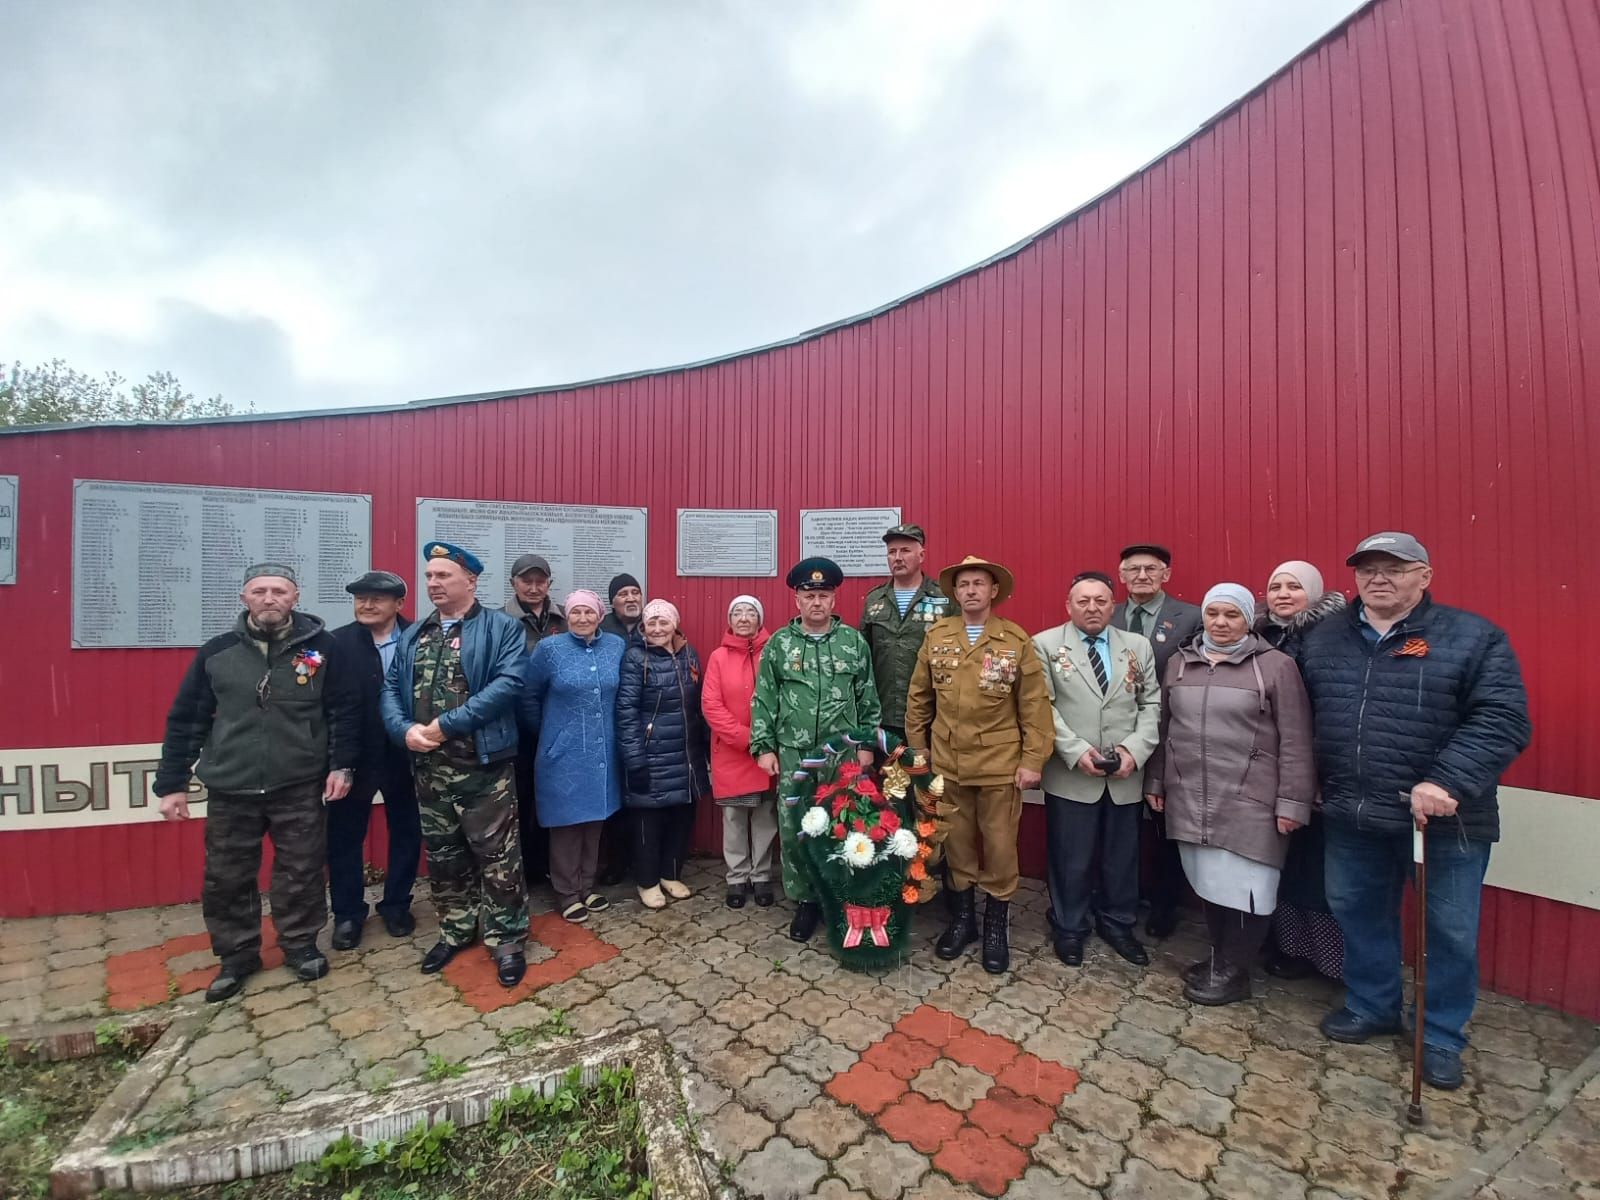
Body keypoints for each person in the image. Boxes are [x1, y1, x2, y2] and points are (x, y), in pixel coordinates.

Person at [1300, 532, 1530, 1090]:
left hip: (1443, 821)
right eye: (1367, 569)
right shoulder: (1325, 637)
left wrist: (1447, 779)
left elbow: (1503, 718)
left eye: (1394, 568)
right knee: (1356, 910)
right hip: (1353, 812)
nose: (1378, 578)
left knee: (1448, 930)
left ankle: (1440, 1034)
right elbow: (1299, 713)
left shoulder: (1472, 638)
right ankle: (1372, 1003)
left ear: (1424, 576)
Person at [154, 563, 358, 1001]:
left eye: (279, 591)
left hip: (299, 781)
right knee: (227, 877)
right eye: (260, 591)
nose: (270, 599)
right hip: (233, 786)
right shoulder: (218, 652)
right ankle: (237, 955)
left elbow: (342, 710)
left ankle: (300, 945)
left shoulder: (322, 649)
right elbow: (187, 719)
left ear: (295, 597)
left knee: (300, 871)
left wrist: (342, 765)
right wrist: (172, 783)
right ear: (244, 598)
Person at [1144, 583, 1316, 1005]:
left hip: (1250, 798)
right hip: (1191, 793)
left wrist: (1293, 802)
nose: (1221, 623)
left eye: (1232, 615)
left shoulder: (1275, 667)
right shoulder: (1182, 664)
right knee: (1211, 881)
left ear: (1247, 619)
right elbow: (1165, 730)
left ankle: (1235, 970)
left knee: (1248, 885)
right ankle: (1222, 957)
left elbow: (1296, 740)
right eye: (1213, 614)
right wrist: (1156, 781)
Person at [380, 542, 529, 988]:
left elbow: (509, 682)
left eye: (443, 575)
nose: (433, 583)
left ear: (470, 580)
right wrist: (403, 730)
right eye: (429, 576)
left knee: (498, 856)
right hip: (428, 767)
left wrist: (447, 725)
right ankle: (456, 928)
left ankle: (506, 939)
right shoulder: (414, 634)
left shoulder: (501, 627)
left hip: (482, 766)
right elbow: (389, 687)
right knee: (444, 856)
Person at [904, 555, 1052, 973]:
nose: (970, 590)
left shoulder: (1014, 639)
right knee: (958, 844)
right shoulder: (937, 636)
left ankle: (996, 927)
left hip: (999, 765)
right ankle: (964, 920)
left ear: (993, 592)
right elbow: (919, 698)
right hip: (949, 764)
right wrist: (919, 748)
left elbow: (1034, 706)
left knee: (1002, 848)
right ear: (955, 592)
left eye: (978, 584)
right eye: (964, 584)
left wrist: (1032, 760)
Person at [1031, 571, 1161, 968]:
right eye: (1083, 601)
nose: (1092, 608)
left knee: (1121, 857)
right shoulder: (1046, 645)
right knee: (1072, 858)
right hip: (1073, 773)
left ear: (1113, 605)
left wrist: (1133, 751)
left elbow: (1151, 704)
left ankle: (1118, 923)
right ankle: (1069, 926)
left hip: (1125, 773)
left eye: (1101, 600)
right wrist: (1076, 750)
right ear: (1068, 606)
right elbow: (1042, 707)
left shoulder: (1136, 646)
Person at [750, 557, 881, 943]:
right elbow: (764, 698)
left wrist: (868, 745)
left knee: (844, 825)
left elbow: (868, 696)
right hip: (794, 753)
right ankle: (805, 901)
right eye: (809, 595)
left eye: (824, 595)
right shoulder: (779, 644)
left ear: (834, 599)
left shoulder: (853, 642)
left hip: (842, 754)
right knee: (796, 831)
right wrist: (764, 746)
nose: (817, 603)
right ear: (797, 600)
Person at [1253, 559, 1348, 980]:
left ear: (1314, 591)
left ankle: (1330, 961)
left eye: (1294, 586)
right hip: (1265, 766)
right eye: (1276, 586)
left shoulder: (1337, 637)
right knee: (1282, 865)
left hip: (1321, 768)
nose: (1283, 594)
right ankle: (1288, 949)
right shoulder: (1256, 634)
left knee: (1319, 869)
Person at [1111, 542, 1203, 940]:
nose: (1142, 576)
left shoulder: (1192, 617)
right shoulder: (1107, 615)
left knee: (1167, 823)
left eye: (1151, 569)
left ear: (1166, 574)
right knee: (1119, 822)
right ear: (1121, 575)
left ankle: (1166, 905)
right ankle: (1120, 897)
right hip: (1115, 736)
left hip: (1170, 735)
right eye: (1134, 569)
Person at [327, 570, 422, 950]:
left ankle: (396, 904)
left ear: (398, 604)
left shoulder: (420, 638)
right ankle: (348, 914)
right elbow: (326, 706)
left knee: (407, 829)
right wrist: (336, 760)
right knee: (345, 836)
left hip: (405, 752)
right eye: (360, 597)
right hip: (355, 754)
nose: (366, 604)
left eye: (376, 598)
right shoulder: (335, 643)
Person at [520, 590, 626, 923]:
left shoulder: (615, 646)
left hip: (603, 749)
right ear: (566, 616)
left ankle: (587, 885)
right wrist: (551, 734)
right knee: (566, 823)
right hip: (562, 751)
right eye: (575, 613)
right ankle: (566, 892)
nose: (582, 618)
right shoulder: (550, 650)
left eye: (588, 612)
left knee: (595, 819)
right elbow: (528, 696)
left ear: (599, 615)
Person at [616, 599, 710, 909]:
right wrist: (634, 758)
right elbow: (626, 711)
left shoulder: (688, 654)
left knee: (681, 816)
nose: (657, 629)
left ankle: (671, 874)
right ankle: (647, 881)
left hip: (686, 752)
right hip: (650, 753)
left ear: (674, 625)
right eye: (651, 623)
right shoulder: (634, 658)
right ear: (643, 627)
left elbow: (698, 703)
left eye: (663, 622)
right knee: (648, 821)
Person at [702, 595, 778, 909]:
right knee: (733, 818)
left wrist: (765, 741)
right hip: (732, 751)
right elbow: (711, 705)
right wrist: (747, 738)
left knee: (764, 817)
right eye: (737, 612)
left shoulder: (774, 651)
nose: (744, 617)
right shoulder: (718, 657)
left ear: (759, 619)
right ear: (730, 620)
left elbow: (782, 697)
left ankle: (760, 876)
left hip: (767, 752)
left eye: (750, 612)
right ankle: (736, 877)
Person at [504, 553, 566, 890]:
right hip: (517, 728)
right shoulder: (500, 621)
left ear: (549, 584)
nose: (533, 587)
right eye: (526, 580)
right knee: (520, 797)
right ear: (514, 583)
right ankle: (521, 868)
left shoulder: (564, 621)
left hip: (556, 724)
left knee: (551, 797)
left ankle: (545, 865)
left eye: (540, 581)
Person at [860, 523, 952, 740]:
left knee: (928, 774)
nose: (897, 557)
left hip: (933, 716)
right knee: (889, 774)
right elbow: (864, 658)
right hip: (885, 715)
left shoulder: (944, 598)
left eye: (905, 550)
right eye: (892, 552)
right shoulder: (874, 600)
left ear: (921, 555)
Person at [601, 574, 645, 644]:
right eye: (623, 594)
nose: (631, 599)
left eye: (635, 593)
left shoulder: (651, 623)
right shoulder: (601, 628)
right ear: (612, 603)